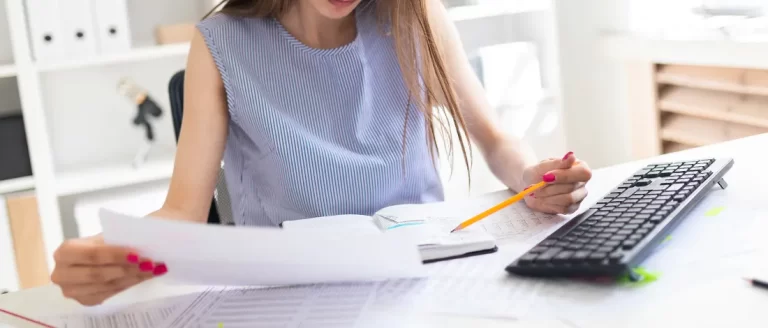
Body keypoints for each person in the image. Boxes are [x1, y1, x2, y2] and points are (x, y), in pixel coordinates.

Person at [50, 0, 592, 306]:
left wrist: (530, 174)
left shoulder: (413, 14)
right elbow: (182, 213)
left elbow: (495, 140)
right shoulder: (219, 43)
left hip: (422, 282)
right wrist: (109, 252)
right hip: (289, 298)